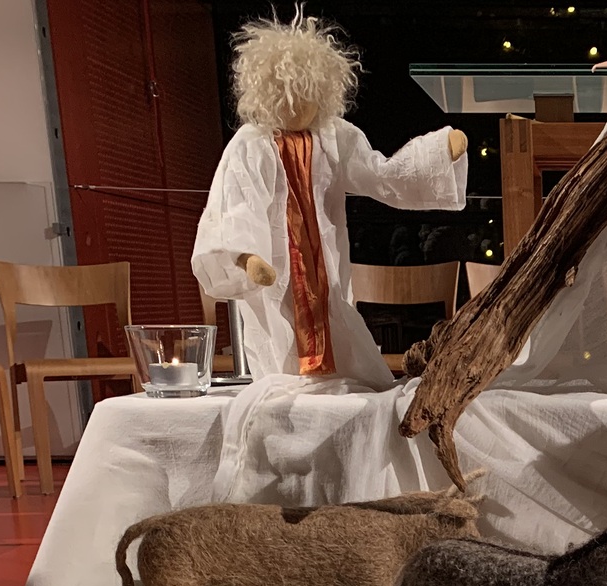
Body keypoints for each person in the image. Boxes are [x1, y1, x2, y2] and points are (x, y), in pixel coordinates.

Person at [192, 14, 468, 390]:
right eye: (287, 96)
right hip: (277, 273)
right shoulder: (250, 144)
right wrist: (247, 256)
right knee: (279, 341)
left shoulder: (334, 137)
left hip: (326, 274)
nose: (296, 107)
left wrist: (438, 153)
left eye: (305, 95)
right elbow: (237, 202)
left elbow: (381, 174)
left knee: (343, 340)